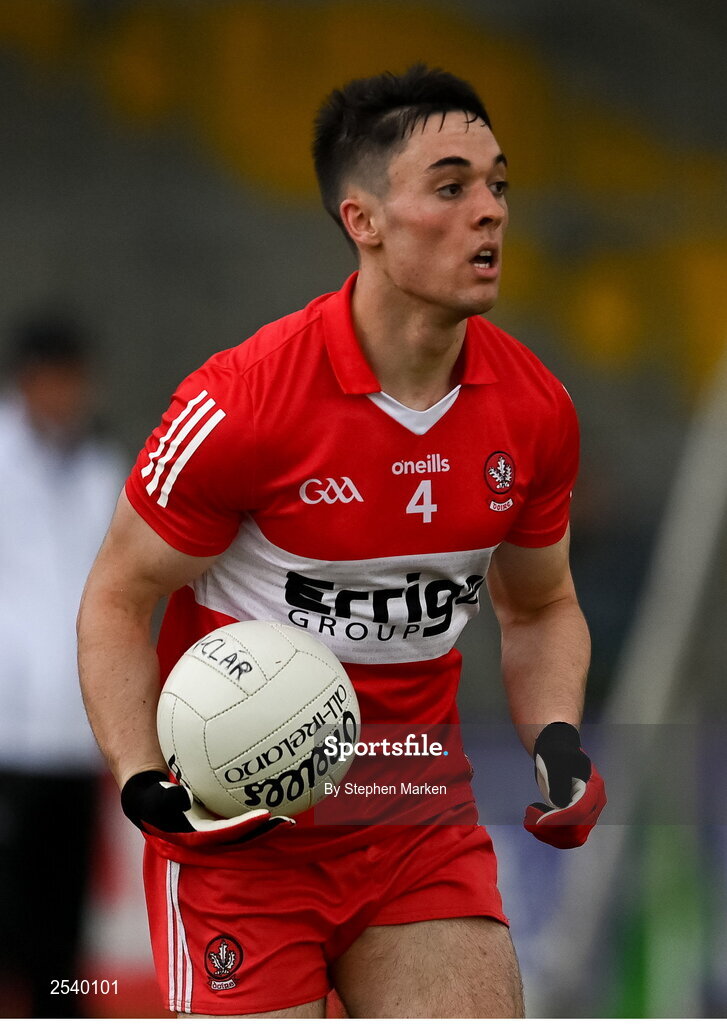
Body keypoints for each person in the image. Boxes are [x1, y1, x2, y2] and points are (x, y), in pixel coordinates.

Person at [77, 65, 606, 1019]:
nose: (488, 212)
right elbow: (118, 597)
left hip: (415, 823)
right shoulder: (242, 403)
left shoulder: (534, 411)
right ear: (362, 219)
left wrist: (557, 739)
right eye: (451, 187)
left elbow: (540, 604)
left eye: (497, 185)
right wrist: (141, 783)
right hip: (243, 842)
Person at [0, 315, 125, 1017]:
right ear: (28, 380)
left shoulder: (101, 468)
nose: (66, 395)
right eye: (55, 379)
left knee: (64, 927)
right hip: (6, 736)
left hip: (74, 737)